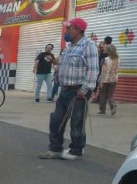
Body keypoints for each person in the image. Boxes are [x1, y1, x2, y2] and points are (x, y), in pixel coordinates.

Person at [39, 17, 98, 161]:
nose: (66, 31)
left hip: (78, 91)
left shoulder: (88, 45)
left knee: (76, 122)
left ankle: (76, 150)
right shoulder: (69, 47)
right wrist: (57, 74)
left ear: (77, 30)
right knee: (56, 120)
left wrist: (84, 89)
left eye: (68, 28)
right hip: (65, 90)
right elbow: (62, 65)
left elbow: (93, 70)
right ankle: (55, 149)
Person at [98, 43, 120, 116]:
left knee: (102, 95)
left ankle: (102, 110)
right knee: (110, 95)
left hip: (105, 80)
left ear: (108, 51)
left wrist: (101, 81)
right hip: (114, 79)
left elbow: (103, 71)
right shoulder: (118, 58)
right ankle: (113, 105)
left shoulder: (106, 60)